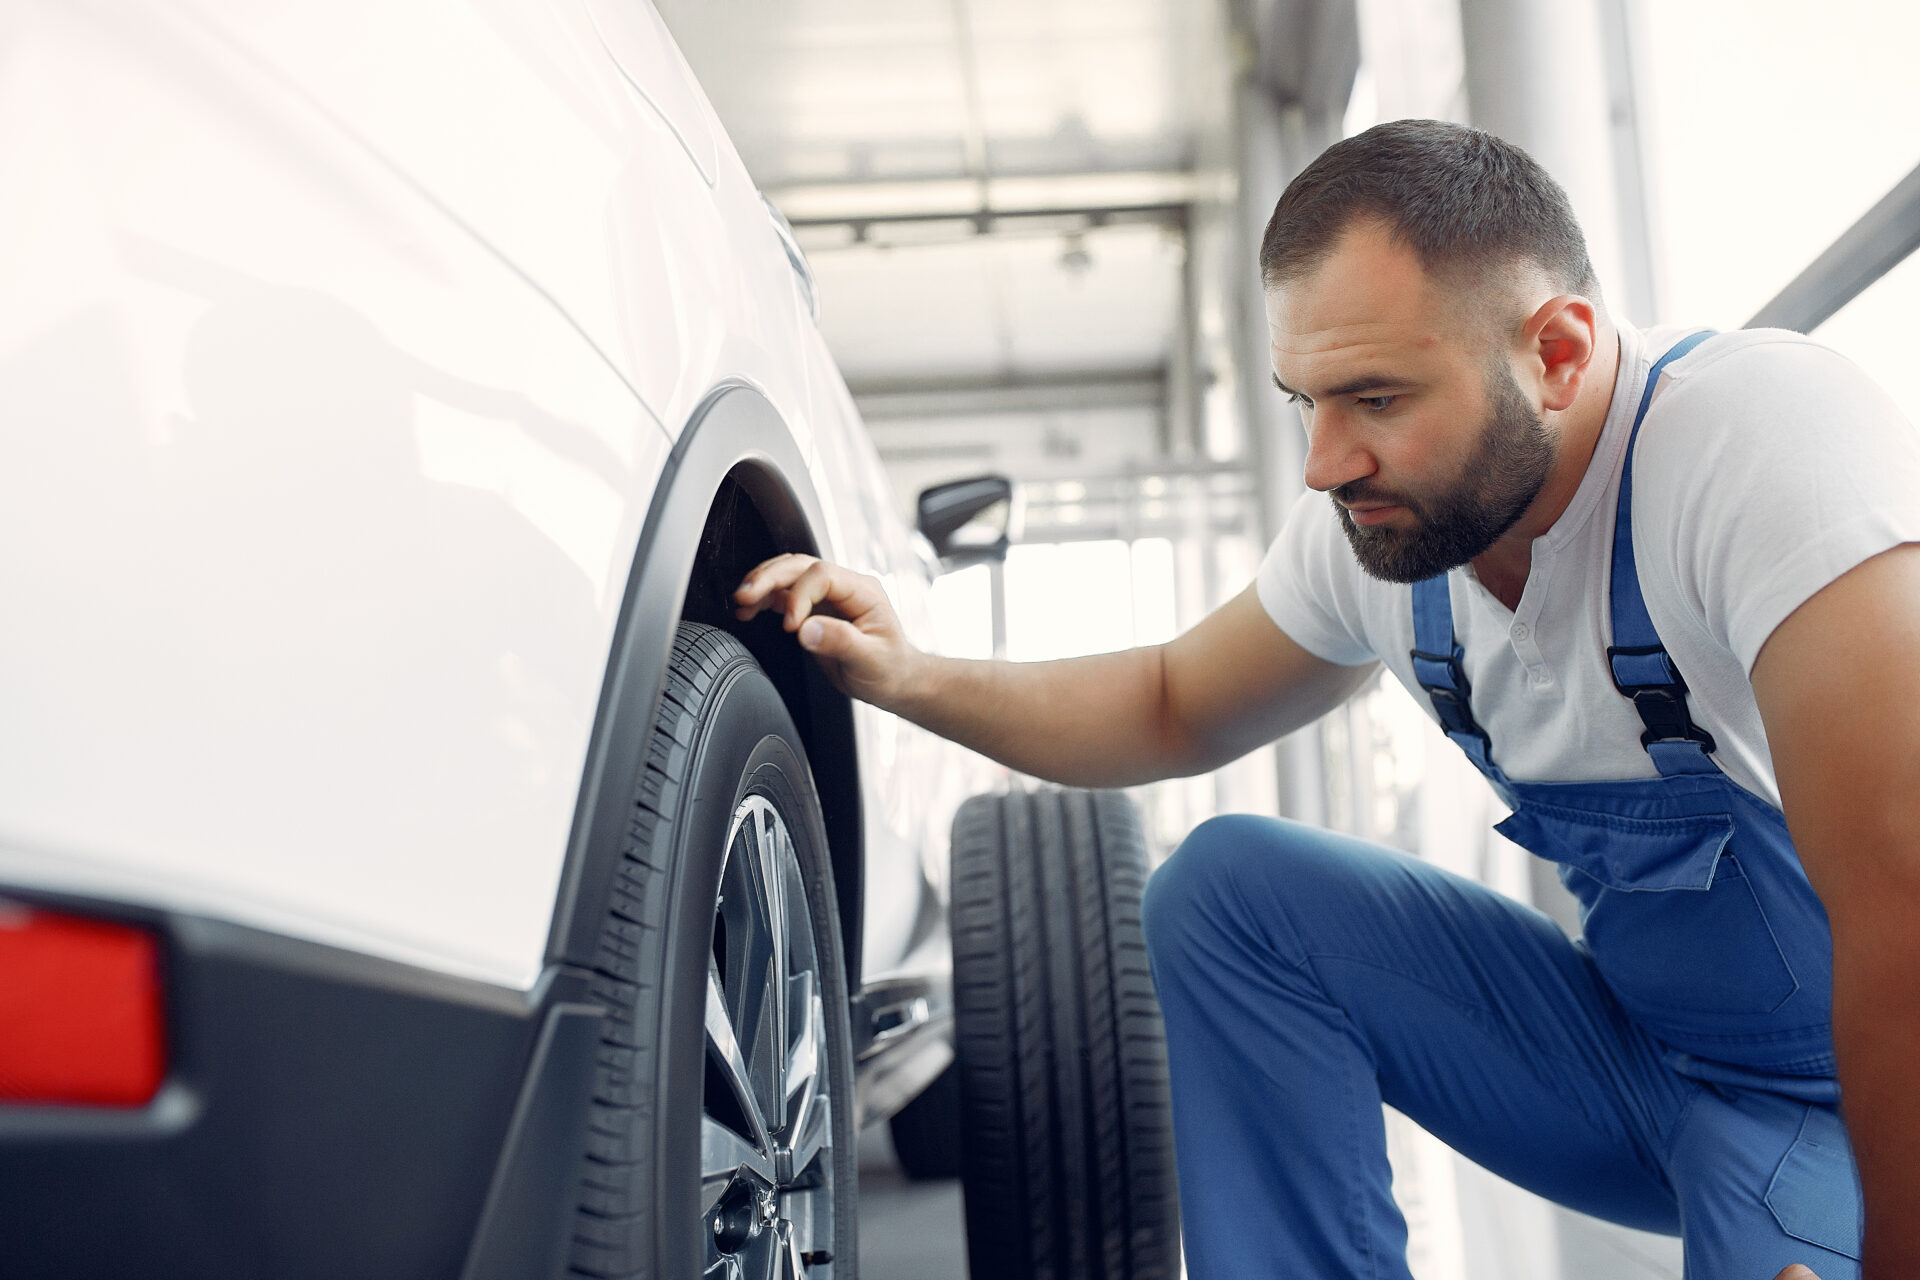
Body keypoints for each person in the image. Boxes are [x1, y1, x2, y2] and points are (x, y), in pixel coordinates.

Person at [731, 119, 1920, 1280]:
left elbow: (1906, 905)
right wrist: (910, 671)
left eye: (1377, 398)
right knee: (1235, 892)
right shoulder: (1381, 535)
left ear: (1556, 354)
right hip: (1634, 1065)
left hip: (1838, 1109)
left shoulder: (1758, 444)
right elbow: (1168, 700)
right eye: (1306, 399)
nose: (1323, 461)